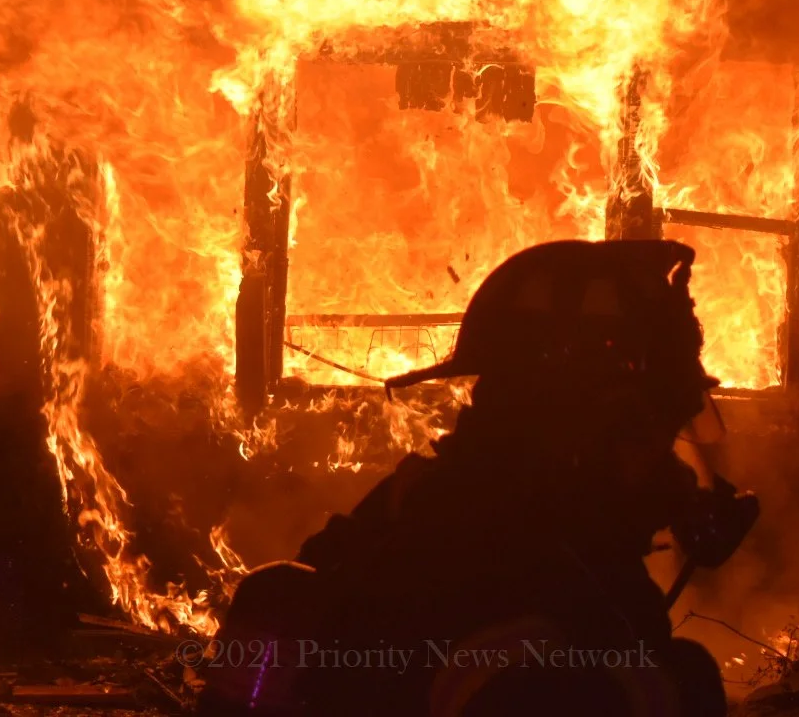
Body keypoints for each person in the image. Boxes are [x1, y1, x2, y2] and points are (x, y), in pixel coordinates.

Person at [199, 240, 758, 716]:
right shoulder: (565, 593)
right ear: (593, 430)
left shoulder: (426, 499)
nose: (671, 462)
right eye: (652, 432)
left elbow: (326, 572)